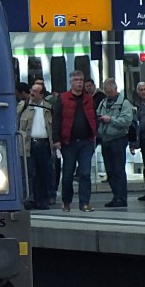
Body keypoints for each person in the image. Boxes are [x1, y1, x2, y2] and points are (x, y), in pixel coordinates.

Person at [54, 70, 98, 212]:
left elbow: (93, 116)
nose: (80, 82)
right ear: (71, 82)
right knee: (67, 174)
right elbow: (57, 120)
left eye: (81, 79)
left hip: (86, 141)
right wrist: (56, 139)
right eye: (77, 80)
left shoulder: (89, 98)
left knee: (85, 173)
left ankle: (84, 202)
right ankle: (66, 201)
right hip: (69, 142)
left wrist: (94, 134)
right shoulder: (63, 98)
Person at [96, 79, 134, 208]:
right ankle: (115, 196)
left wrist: (110, 120)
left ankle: (121, 198)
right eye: (106, 91)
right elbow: (97, 114)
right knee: (110, 171)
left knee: (118, 170)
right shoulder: (103, 102)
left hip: (118, 139)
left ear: (115, 89)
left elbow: (127, 120)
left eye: (110, 91)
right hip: (105, 139)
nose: (108, 94)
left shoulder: (124, 103)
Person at [17, 83, 52, 210]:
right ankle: (29, 199)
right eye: (32, 90)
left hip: (43, 144)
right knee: (29, 173)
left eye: (36, 92)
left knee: (43, 173)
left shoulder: (48, 108)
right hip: (28, 144)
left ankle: (42, 200)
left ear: (42, 95)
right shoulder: (23, 106)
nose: (32, 93)